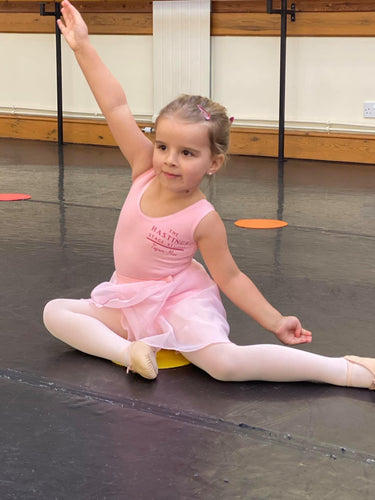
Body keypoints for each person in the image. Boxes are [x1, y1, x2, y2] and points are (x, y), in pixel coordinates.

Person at [43, 0, 374, 389]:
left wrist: (274, 320)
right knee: (55, 312)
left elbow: (231, 278)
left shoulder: (203, 218)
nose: (169, 160)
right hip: (129, 298)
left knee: (224, 364)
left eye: (187, 153)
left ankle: (349, 371)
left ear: (213, 163)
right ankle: (127, 353)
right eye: (163, 145)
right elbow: (115, 106)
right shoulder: (144, 168)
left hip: (179, 302)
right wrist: (82, 46)